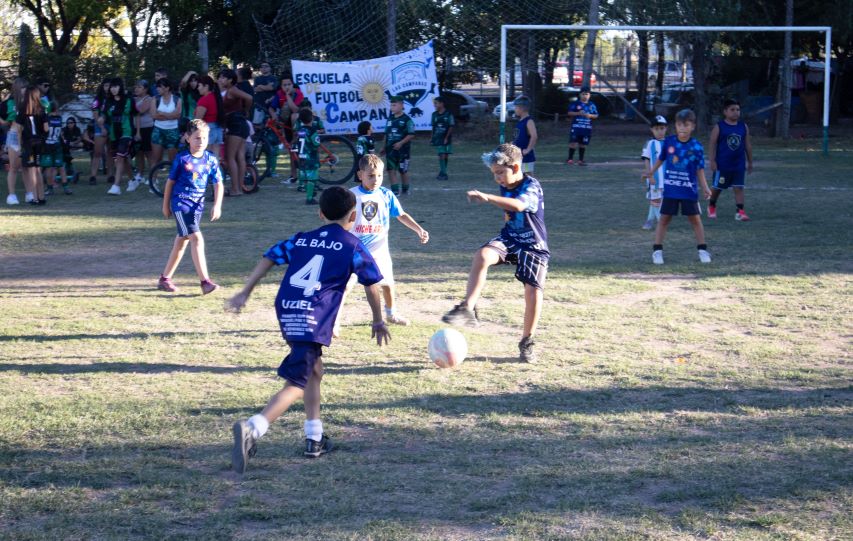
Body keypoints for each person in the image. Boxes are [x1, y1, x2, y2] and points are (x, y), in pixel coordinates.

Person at [226, 185, 391, 473]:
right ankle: (254, 427)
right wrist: (378, 319)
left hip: (287, 308)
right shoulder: (352, 245)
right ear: (354, 216)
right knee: (297, 382)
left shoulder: (302, 239)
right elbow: (372, 283)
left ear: (320, 213)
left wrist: (245, 292)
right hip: (312, 316)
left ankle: (314, 438)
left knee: (314, 369)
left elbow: (270, 255)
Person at [442, 143, 548, 363]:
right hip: (509, 239)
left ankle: (527, 342)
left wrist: (488, 197)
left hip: (533, 246)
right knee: (482, 255)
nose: (497, 178)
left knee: (533, 293)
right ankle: (467, 308)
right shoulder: (506, 182)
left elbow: (519, 206)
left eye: (500, 173)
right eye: (494, 174)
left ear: (516, 167)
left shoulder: (532, 186)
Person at [333, 153, 429, 336]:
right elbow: (341, 219)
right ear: (360, 175)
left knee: (387, 285)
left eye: (379, 175)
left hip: (379, 251)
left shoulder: (386, 195)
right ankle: (334, 322)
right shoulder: (351, 196)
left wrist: (418, 229)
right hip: (354, 251)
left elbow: (401, 215)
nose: (376, 179)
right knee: (344, 287)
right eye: (370, 175)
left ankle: (392, 313)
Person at [157, 119, 223, 295]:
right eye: (197, 138)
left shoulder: (210, 159)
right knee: (196, 239)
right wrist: (166, 205)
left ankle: (165, 279)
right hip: (181, 204)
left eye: (204, 138)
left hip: (197, 207)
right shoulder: (181, 158)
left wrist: (217, 205)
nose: (201, 142)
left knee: (182, 241)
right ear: (187, 138)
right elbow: (170, 183)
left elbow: (218, 184)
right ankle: (205, 282)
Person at [647, 109, 712, 265]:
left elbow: (700, 170)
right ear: (675, 126)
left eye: (686, 125)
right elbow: (661, 159)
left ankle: (703, 250)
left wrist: (705, 187)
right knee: (664, 219)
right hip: (671, 190)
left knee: (695, 220)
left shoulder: (696, 146)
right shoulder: (669, 142)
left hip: (688, 191)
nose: (682, 128)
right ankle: (657, 251)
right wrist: (650, 173)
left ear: (692, 126)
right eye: (679, 125)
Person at [707, 99, 753, 221]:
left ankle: (740, 212)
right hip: (722, 164)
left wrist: (750, 162)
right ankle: (711, 206)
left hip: (738, 164)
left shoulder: (743, 127)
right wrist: (712, 161)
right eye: (732, 110)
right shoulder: (719, 127)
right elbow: (712, 143)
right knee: (717, 187)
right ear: (725, 112)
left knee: (738, 187)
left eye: (738, 110)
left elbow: (747, 145)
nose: (736, 112)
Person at [218, 69, 253, 196]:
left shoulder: (232, 90)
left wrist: (246, 109)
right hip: (239, 124)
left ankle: (235, 188)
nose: (221, 80)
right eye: (220, 77)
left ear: (230, 80)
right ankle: (239, 187)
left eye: (223, 78)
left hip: (235, 124)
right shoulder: (225, 91)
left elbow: (249, 97)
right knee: (239, 156)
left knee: (231, 157)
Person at [15, 85, 48, 206]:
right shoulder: (41, 109)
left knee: (31, 171)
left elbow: (18, 128)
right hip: (39, 142)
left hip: (28, 143)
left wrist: (19, 145)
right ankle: (42, 197)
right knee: (38, 169)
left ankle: (34, 198)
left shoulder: (23, 109)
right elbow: (46, 128)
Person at [104, 78, 137, 195]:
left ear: (120, 87)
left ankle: (116, 186)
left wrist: (138, 132)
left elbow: (136, 114)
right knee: (122, 159)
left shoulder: (129, 100)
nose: (113, 89)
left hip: (126, 132)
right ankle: (133, 180)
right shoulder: (108, 102)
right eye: (111, 87)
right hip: (114, 134)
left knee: (120, 157)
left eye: (116, 86)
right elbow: (105, 116)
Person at [380, 95, 415, 195]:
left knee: (403, 170)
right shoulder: (390, 119)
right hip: (390, 150)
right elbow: (386, 134)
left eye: (394, 105)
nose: (392, 107)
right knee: (390, 170)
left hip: (403, 151)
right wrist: (383, 146)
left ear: (401, 105)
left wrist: (401, 143)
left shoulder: (407, 120)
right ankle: (395, 191)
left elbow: (411, 134)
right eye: (391, 105)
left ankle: (405, 189)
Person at [2, 77, 28, 204]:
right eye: (23, 87)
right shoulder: (9, 102)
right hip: (13, 135)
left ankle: (30, 193)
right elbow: (4, 118)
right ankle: (11, 195)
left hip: (27, 136)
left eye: (26, 87)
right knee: (13, 167)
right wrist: (5, 122)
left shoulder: (29, 102)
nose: (25, 90)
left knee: (26, 166)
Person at [640, 115, 668, 230]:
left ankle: (649, 220)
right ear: (652, 130)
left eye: (662, 128)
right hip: (655, 178)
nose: (659, 131)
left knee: (660, 199)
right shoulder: (650, 143)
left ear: (666, 128)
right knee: (656, 199)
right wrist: (649, 175)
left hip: (666, 178)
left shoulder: (669, 143)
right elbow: (646, 160)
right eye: (656, 129)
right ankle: (661, 222)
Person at [40, 102, 71, 196]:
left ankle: (50, 189)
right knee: (60, 167)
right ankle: (66, 188)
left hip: (47, 145)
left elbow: (44, 130)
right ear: (56, 109)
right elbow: (60, 132)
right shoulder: (59, 119)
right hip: (57, 144)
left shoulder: (46, 119)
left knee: (48, 168)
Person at [150, 78, 183, 166]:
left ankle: (172, 179)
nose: (157, 89)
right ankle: (153, 178)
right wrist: (170, 116)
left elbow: (177, 116)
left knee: (173, 159)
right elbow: (154, 115)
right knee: (156, 158)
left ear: (167, 88)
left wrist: (162, 113)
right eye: (157, 87)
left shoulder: (177, 100)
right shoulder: (155, 99)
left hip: (173, 131)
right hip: (158, 130)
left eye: (160, 87)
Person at [294, 107, 321, 205]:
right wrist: (317, 152)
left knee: (305, 176)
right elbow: (316, 144)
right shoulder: (312, 130)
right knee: (312, 178)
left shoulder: (300, 130)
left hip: (301, 156)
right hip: (311, 157)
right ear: (312, 119)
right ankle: (309, 198)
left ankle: (310, 192)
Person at [566, 86, 598, 166]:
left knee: (583, 144)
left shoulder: (592, 105)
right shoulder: (575, 103)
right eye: (583, 94)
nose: (585, 96)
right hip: (576, 127)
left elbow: (596, 115)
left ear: (589, 95)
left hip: (586, 128)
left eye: (586, 94)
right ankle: (570, 159)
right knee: (573, 143)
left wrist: (589, 115)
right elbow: (569, 113)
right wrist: (578, 113)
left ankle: (581, 160)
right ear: (580, 95)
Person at [89, 78, 112, 185]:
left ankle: (110, 175)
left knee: (110, 152)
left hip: (112, 126)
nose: (108, 88)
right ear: (102, 87)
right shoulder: (97, 100)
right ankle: (93, 176)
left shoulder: (115, 99)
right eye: (106, 85)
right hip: (100, 126)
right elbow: (95, 115)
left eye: (110, 86)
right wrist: (102, 127)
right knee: (97, 152)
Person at [194, 75, 225, 157]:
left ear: (206, 86)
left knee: (204, 158)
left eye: (199, 85)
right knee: (214, 159)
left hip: (207, 129)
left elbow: (198, 119)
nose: (198, 88)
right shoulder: (216, 98)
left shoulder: (204, 100)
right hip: (217, 129)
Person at [132, 80, 155, 187]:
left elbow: (140, 110)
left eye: (139, 87)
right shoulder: (134, 99)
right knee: (138, 153)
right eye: (136, 87)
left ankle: (152, 175)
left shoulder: (149, 99)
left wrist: (130, 107)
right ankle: (140, 174)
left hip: (147, 128)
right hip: (136, 128)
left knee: (148, 153)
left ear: (145, 89)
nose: (136, 89)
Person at [431, 96, 454, 180]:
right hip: (438, 138)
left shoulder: (448, 114)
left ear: (442, 104)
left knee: (446, 156)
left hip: (446, 138)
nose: (435, 105)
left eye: (436, 103)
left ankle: (442, 172)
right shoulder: (434, 115)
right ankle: (444, 174)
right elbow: (433, 127)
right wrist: (432, 138)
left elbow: (451, 126)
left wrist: (446, 138)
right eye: (434, 103)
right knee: (441, 155)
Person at [511, 96, 537, 173]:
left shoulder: (529, 121)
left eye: (516, 107)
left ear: (521, 108)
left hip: (526, 157)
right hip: (518, 155)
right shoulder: (520, 122)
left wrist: (528, 149)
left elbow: (534, 136)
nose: (514, 109)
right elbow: (518, 137)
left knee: (527, 177)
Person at [252, 61, 276, 126]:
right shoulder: (257, 79)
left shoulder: (274, 78)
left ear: (270, 68)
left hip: (271, 105)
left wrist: (260, 86)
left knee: (272, 125)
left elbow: (271, 88)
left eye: (266, 66)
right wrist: (267, 86)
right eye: (262, 67)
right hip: (259, 104)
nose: (263, 68)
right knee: (257, 125)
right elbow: (255, 89)